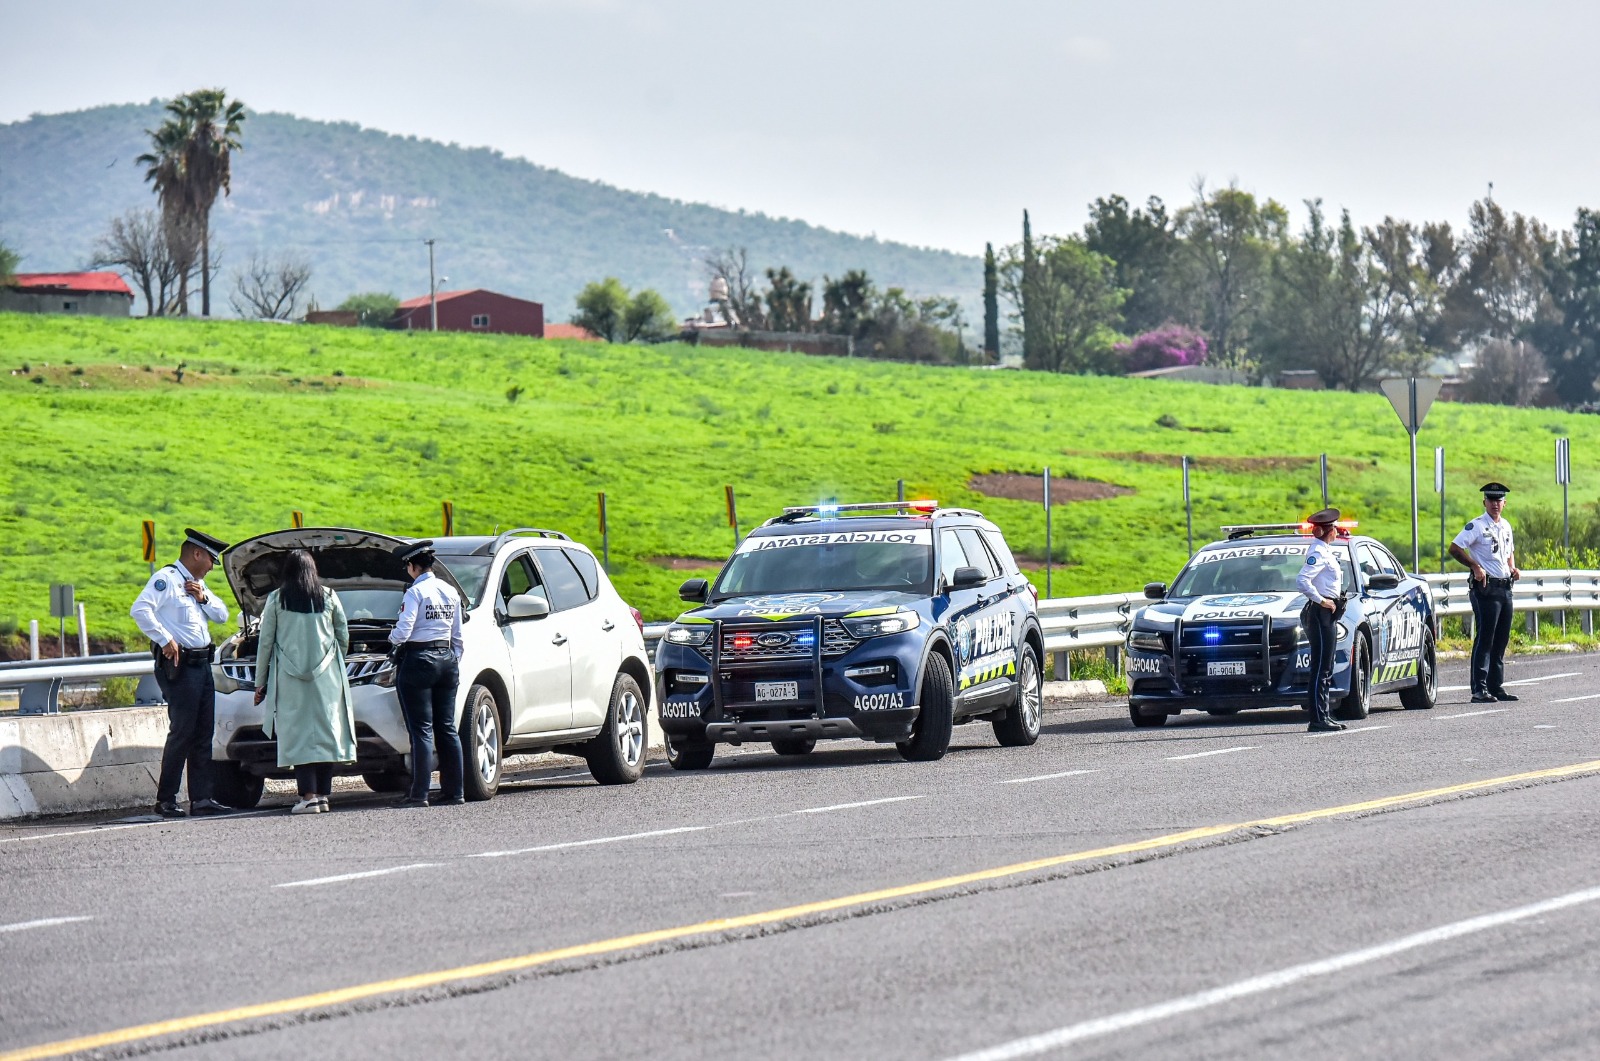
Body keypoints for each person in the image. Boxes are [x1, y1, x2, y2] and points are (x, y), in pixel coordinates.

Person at [130, 528, 233, 818]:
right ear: (196, 554)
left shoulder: (196, 584)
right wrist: (165, 639)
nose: (213, 566)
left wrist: (204, 599)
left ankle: (201, 799)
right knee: (183, 733)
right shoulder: (166, 580)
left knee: (203, 733)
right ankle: (166, 800)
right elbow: (140, 609)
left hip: (202, 666)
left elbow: (222, 614)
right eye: (211, 559)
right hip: (180, 667)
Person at [254, 549, 357, 814]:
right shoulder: (329, 596)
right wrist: (335, 663)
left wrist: (260, 681)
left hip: (290, 679)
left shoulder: (276, 599)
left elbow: (265, 643)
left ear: (286, 572)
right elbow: (343, 635)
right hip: (327, 679)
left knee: (298, 736)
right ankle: (322, 795)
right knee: (325, 734)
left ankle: (307, 796)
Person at [389, 540, 465, 808]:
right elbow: (457, 636)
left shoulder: (415, 592)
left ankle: (419, 794)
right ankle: (455, 792)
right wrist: (453, 660)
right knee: (447, 728)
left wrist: (392, 638)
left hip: (419, 660)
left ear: (412, 566)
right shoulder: (450, 591)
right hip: (447, 659)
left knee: (421, 730)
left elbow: (404, 630)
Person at [1449, 482, 1521, 704]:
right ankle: (1479, 688)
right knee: (1486, 638)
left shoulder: (1506, 526)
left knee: (1501, 639)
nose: (1495, 504)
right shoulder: (1477, 526)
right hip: (1486, 588)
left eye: (1499, 501)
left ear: (1504, 503)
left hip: (1504, 587)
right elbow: (1455, 548)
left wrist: (1513, 568)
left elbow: (1509, 552)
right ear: (1485, 503)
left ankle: (1495, 686)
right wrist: (1474, 566)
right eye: (1491, 500)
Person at [1296, 508, 1347, 733]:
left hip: (1327, 613)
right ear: (1329, 531)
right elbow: (1302, 581)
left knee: (1325, 666)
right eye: (1334, 528)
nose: (1336, 531)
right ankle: (1317, 718)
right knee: (1321, 667)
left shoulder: (1325, 550)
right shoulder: (1318, 552)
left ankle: (1323, 714)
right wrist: (1321, 600)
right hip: (1320, 614)